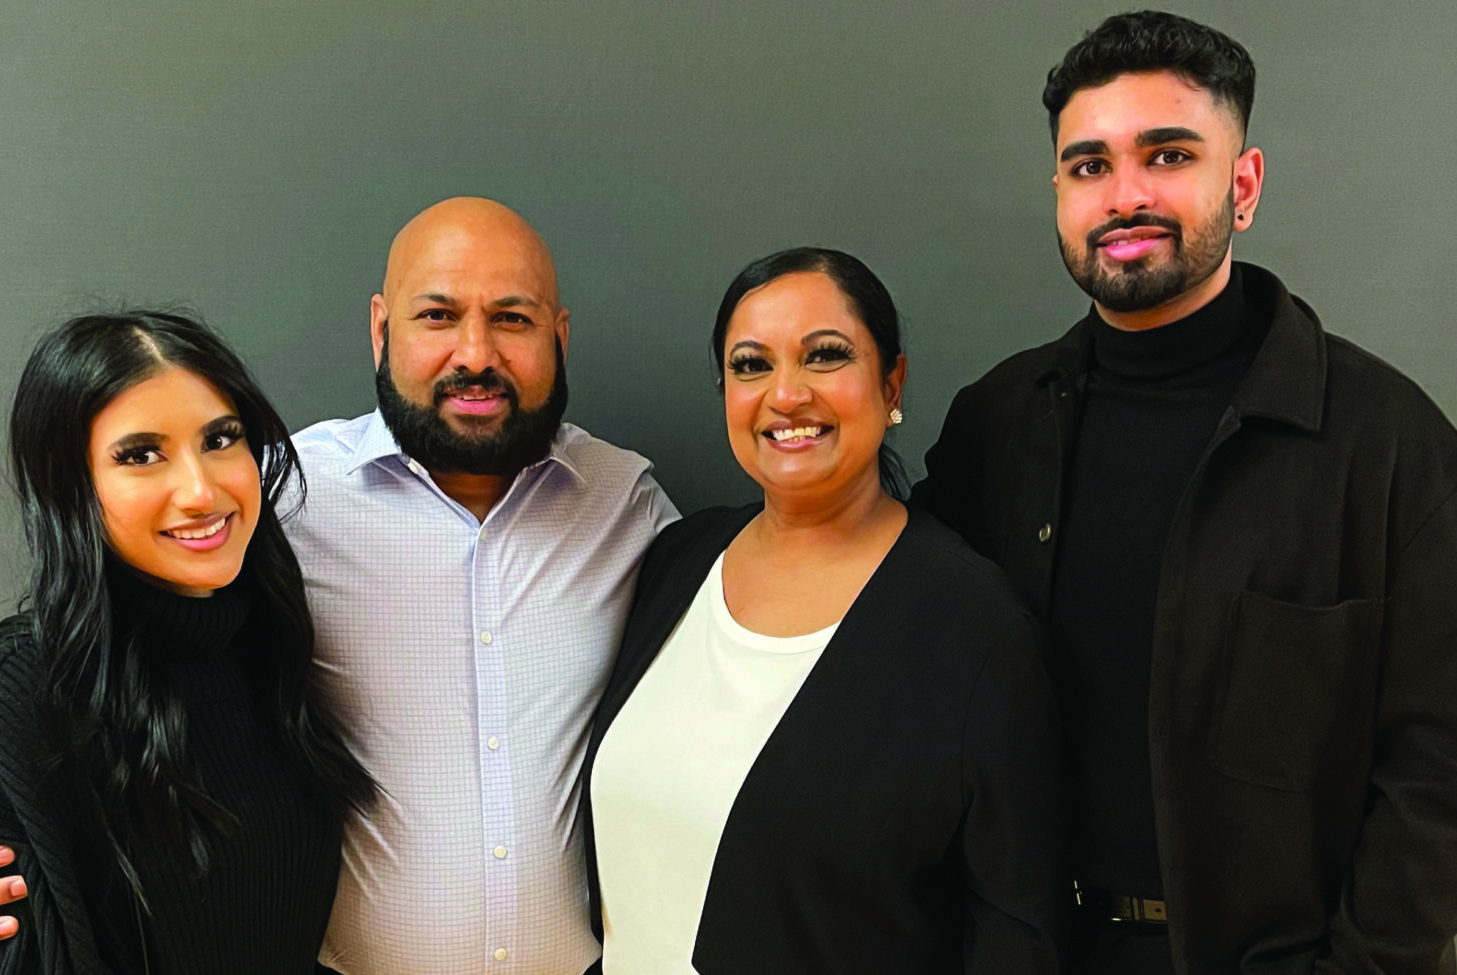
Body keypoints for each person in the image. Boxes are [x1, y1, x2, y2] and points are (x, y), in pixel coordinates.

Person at [0, 198, 679, 975]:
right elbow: (100, 646)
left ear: (560, 335)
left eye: (513, 318)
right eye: (437, 315)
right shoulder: (293, 502)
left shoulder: (630, 504)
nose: (474, 353)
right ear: (381, 329)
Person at [911, 11, 1457, 973]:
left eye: (1166, 155)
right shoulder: (992, 426)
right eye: (1089, 166)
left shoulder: (1389, 443)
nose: (1125, 196)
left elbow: (1441, 762)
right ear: (1058, 192)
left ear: (1241, 186)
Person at [581, 247, 1068, 973]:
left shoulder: (972, 627)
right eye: (751, 365)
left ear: (891, 380)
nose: (786, 394)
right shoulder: (677, 559)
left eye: (825, 356)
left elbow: (1018, 931)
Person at [0, 311, 376, 974]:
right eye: (139, 455)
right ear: (71, 487)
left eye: (221, 438)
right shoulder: (15, 711)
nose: (200, 489)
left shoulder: (266, 658)